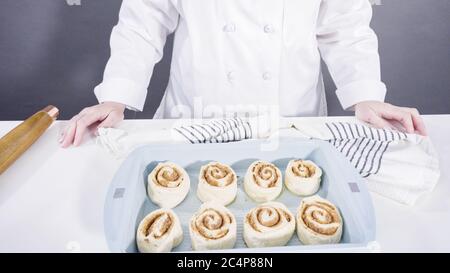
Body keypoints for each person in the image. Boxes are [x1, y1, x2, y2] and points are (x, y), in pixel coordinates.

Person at [60, 0, 426, 147]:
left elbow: (345, 27)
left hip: (291, 124)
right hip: (195, 121)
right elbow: (144, 21)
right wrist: (116, 97)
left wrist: (366, 95)